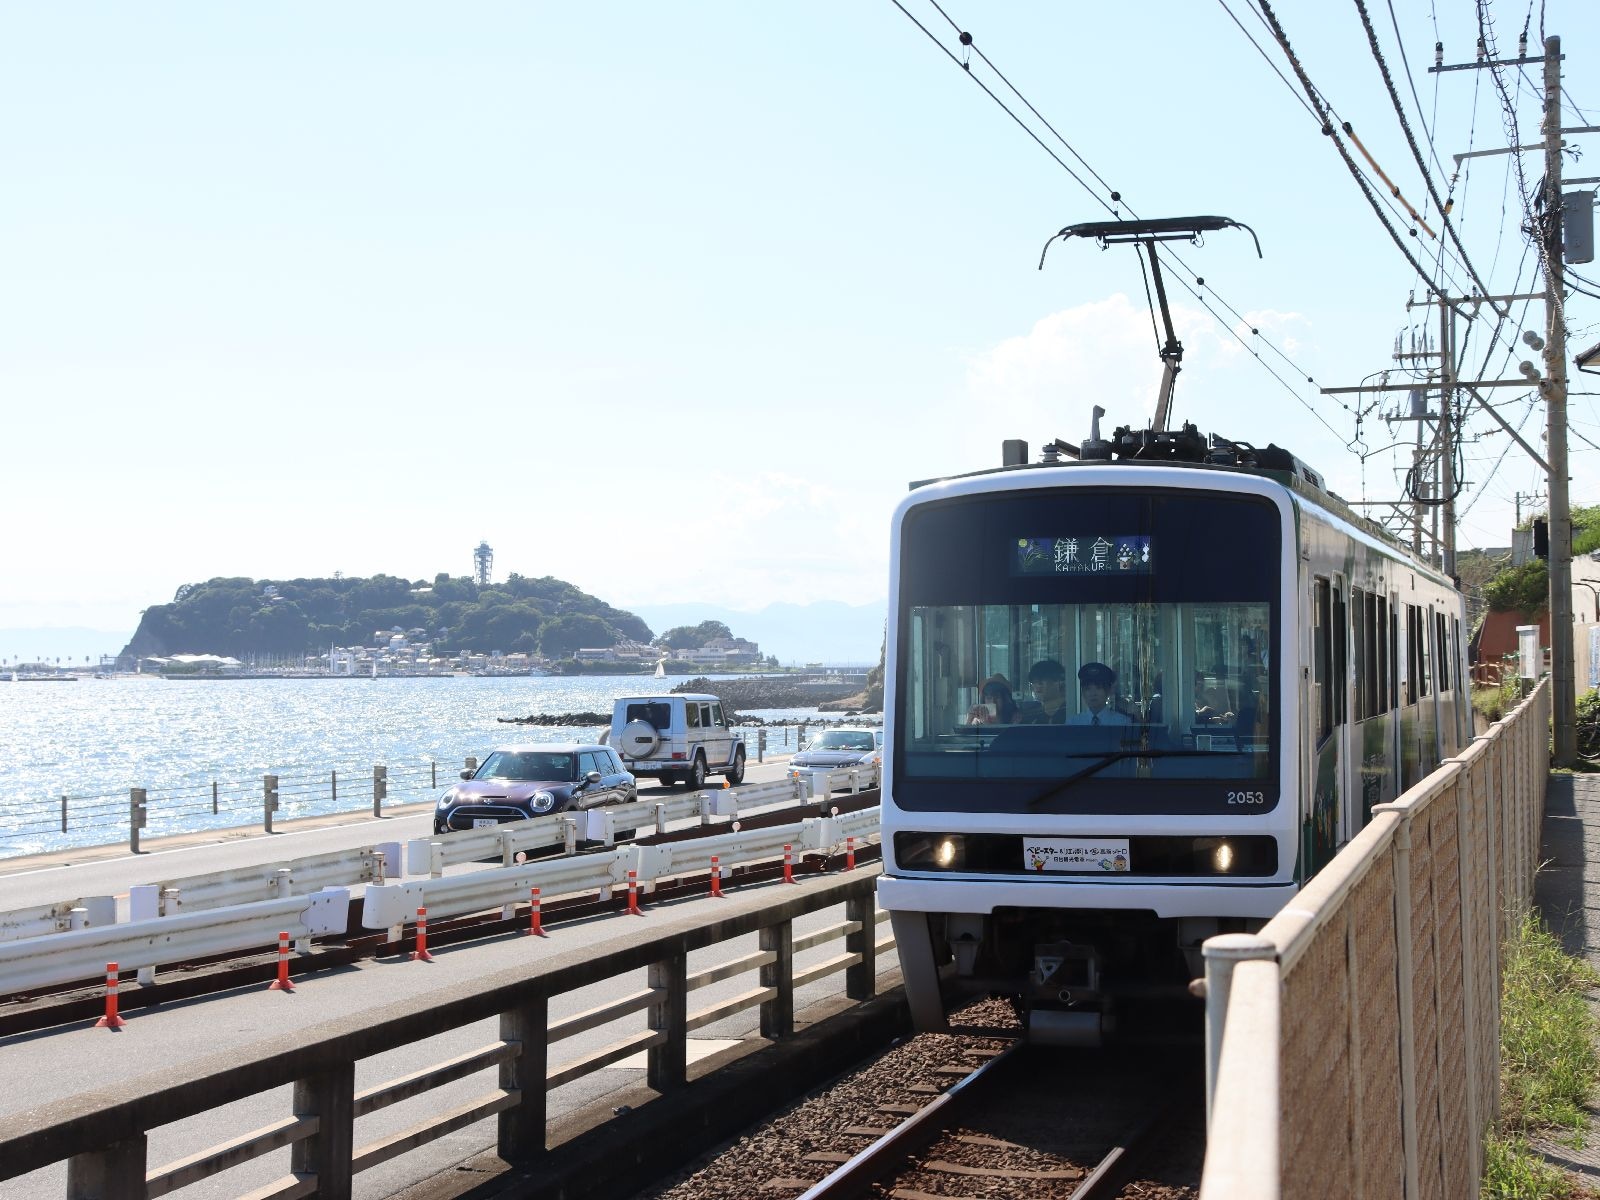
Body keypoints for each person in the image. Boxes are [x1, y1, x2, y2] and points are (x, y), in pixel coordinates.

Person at [1067, 661, 1132, 726]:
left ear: (1108, 691)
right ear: (1083, 693)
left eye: (1099, 688)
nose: (1093, 693)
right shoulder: (1072, 723)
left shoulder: (1122, 723)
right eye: (1088, 688)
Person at [1021, 658, 1071, 723]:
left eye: (1040, 682)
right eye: (1033, 683)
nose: (1036, 687)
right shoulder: (1032, 718)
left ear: (1058, 682)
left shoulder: (1071, 713)